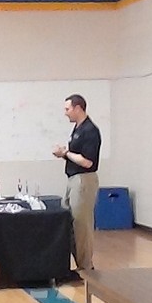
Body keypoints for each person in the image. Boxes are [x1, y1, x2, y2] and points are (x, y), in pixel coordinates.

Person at [52, 94, 102, 272]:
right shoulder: (77, 129)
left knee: (82, 225)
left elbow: (87, 161)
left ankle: (86, 267)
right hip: (73, 179)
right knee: (70, 223)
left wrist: (65, 153)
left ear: (78, 108)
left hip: (84, 180)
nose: (66, 113)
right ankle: (79, 263)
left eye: (67, 109)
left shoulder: (90, 131)